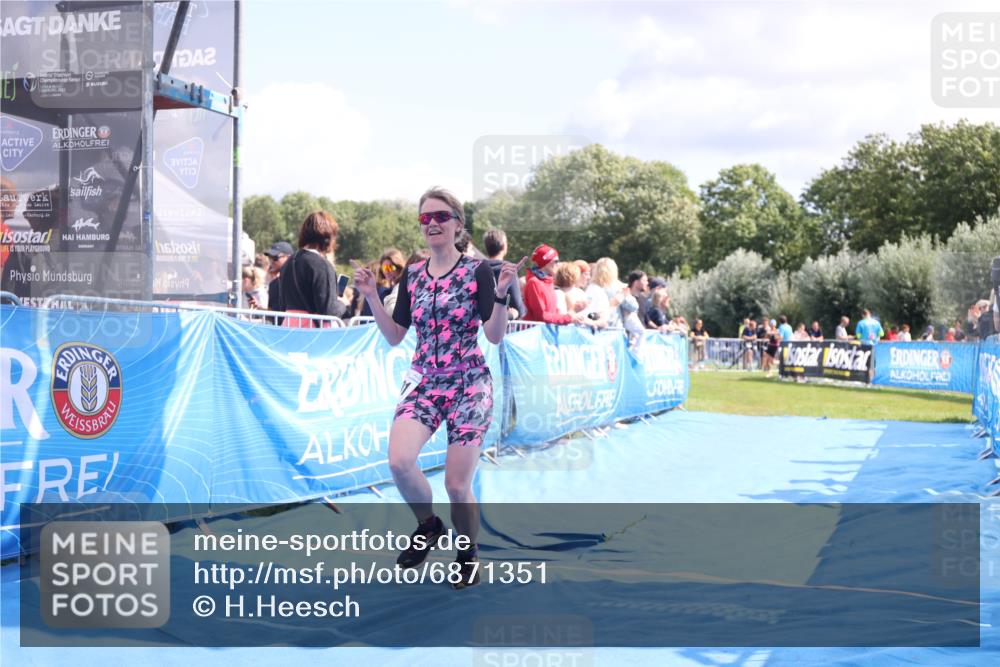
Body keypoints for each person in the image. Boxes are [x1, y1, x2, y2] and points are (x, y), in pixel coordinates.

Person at [351, 186, 524, 590]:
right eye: (424, 218)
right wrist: (372, 297)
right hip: (424, 381)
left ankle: (468, 552)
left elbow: (495, 337)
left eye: (440, 216)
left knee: (456, 485)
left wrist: (500, 297)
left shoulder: (478, 271)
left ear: (458, 224)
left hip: (469, 384)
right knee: (398, 462)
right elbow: (395, 335)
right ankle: (428, 525)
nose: (432, 223)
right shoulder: (411, 275)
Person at [280, 211, 349, 328]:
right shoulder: (322, 265)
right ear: (327, 237)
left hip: (289, 327)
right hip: (313, 333)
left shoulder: (288, 262)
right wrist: (343, 304)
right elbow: (328, 310)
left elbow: (282, 305)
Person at [523, 244, 586, 325]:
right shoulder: (534, 282)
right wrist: (568, 318)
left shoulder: (548, 282)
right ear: (545, 262)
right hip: (535, 334)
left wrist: (571, 316)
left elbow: (554, 312)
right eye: (556, 261)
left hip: (546, 333)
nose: (558, 264)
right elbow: (541, 316)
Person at [483, 228, 526, 320]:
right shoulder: (508, 270)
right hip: (503, 329)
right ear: (504, 246)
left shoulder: (476, 269)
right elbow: (518, 307)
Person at [265, 240, 294, 322]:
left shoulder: (297, 282)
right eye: (269, 258)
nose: (271, 262)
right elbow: (272, 313)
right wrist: (258, 309)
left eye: (275, 258)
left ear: (288, 257)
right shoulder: (273, 284)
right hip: (278, 331)